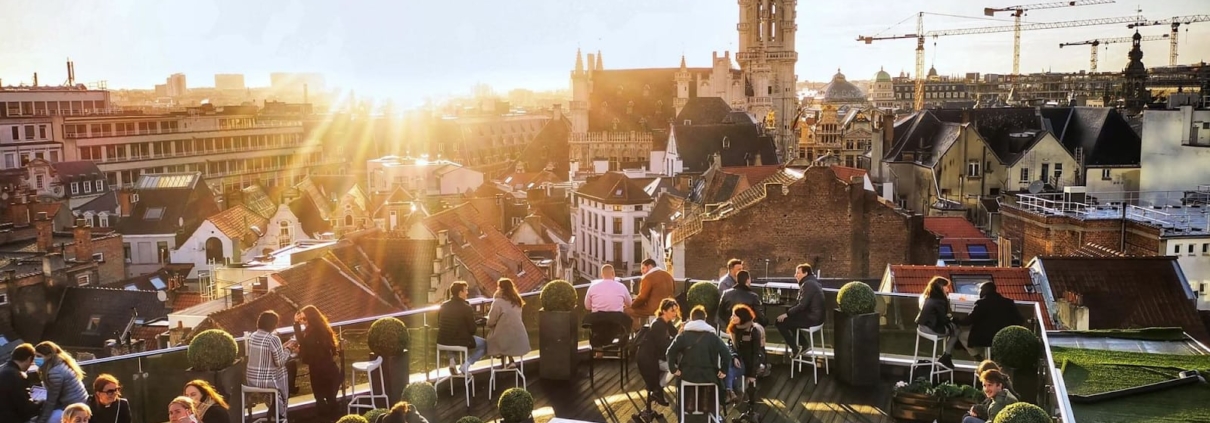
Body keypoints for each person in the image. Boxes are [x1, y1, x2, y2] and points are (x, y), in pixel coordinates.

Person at [666, 305, 730, 414]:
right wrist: (723, 370)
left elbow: (670, 352)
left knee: (686, 382)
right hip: (709, 375)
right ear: (705, 319)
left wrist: (673, 369)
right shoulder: (712, 336)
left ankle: (690, 403)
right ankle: (705, 404)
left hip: (687, 374)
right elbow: (727, 354)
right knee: (711, 383)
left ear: (691, 319)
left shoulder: (684, 335)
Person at [290, 305, 341, 418]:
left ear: (311, 318)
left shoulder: (313, 333)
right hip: (329, 369)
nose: (303, 322)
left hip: (320, 371)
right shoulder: (322, 329)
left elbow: (306, 346)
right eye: (301, 319)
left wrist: (296, 326)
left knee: (322, 399)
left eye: (304, 319)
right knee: (330, 399)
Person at [957, 283, 1025, 361]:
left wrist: (958, 321)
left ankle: (979, 358)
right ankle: (990, 359)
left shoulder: (981, 303)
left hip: (985, 337)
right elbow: (1020, 320)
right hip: (1003, 336)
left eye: (980, 290)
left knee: (962, 335)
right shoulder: (1008, 302)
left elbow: (969, 320)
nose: (979, 292)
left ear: (985, 290)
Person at [246, 311, 291, 423]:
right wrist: (289, 349)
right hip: (267, 382)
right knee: (286, 369)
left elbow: (265, 353)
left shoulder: (252, 336)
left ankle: (274, 413)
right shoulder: (273, 339)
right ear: (273, 325)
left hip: (252, 380)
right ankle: (281, 415)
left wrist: (283, 348)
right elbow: (280, 362)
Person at [637, 298, 680, 407]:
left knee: (675, 366)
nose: (675, 313)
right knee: (673, 369)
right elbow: (664, 345)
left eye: (676, 310)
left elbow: (675, 335)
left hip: (656, 355)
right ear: (664, 311)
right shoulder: (658, 325)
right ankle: (657, 390)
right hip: (649, 359)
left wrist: (680, 334)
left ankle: (657, 391)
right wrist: (679, 336)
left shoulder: (667, 322)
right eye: (672, 311)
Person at [776, 263, 826, 358]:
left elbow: (802, 305)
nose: (795, 275)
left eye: (798, 273)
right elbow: (801, 303)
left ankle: (795, 349)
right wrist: (789, 314)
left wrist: (787, 314)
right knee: (790, 321)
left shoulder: (808, 284)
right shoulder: (812, 282)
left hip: (813, 318)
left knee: (779, 322)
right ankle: (804, 345)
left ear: (805, 273)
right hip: (818, 317)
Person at [437, 281, 486, 375]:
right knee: (485, 345)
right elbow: (472, 330)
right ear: (460, 293)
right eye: (466, 290)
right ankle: (466, 365)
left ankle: (452, 361)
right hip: (459, 341)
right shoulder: (466, 308)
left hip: (442, 341)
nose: (467, 293)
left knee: (450, 333)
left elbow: (440, 324)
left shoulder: (443, 305)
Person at [35, 341, 88, 423]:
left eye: (39, 356)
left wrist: (41, 420)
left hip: (74, 408)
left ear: (49, 356)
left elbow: (51, 401)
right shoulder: (61, 363)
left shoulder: (55, 372)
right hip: (79, 403)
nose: (36, 359)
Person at [583, 264, 634, 350]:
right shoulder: (621, 287)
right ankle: (620, 346)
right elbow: (629, 303)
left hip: (598, 323)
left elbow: (587, 306)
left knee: (597, 326)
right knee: (627, 321)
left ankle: (597, 347)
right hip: (616, 323)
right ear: (613, 274)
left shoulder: (593, 287)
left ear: (601, 275)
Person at [724, 304, 765, 405]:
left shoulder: (753, 331)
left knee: (727, 370)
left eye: (734, 315)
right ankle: (732, 391)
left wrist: (752, 374)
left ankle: (731, 391)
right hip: (737, 360)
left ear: (742, 317)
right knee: (726, 366)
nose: (732, 317)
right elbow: (730, 345)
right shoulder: (734, 329)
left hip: (748, 363)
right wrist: (734, 356)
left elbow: (757, 353)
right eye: (732, 315)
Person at [486, 278, 530, 367]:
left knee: (497, 335)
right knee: (505, 332)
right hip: (520, 338)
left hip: (504, 340)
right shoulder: (517, 301)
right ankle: (510, 361)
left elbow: (490, 322)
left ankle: (503, 365)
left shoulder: (497, 302)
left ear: (500, 288)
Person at [916, 276, 958, 370]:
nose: (948, 289)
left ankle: (945, 356)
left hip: (921, 327)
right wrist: (951, 318)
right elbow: (942, 319)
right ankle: (946, 356)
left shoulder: (928, 297)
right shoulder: (940, 301)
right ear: (940, 287)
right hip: (930, 329)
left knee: (952, 328)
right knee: (956, 330)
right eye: (946, 287)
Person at [625, 258, 675, 331]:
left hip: (655, 309)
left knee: (627, 310)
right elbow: (674, 290)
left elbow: (642, 297)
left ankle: (640, 332)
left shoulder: (648, 278)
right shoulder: (668, 275)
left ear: (650, 267)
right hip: (669, 308)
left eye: (643, 268)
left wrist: (632, 305)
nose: (642, 271)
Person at [0, 343, 40, 423]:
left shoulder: (3, 369)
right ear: (29, 359)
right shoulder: (17, 375)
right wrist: (42, 402)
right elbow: (25, 407)